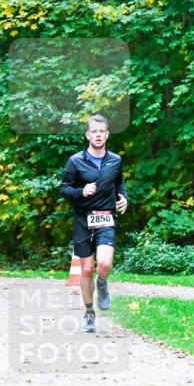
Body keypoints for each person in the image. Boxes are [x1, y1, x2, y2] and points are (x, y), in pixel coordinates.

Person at [60, 114, 128, 332]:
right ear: (87, 135)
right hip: (83, 219)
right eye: (94, 132)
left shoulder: (115, 160)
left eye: (102, 132)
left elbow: (119, 183)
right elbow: (64, 189)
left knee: (104, 264)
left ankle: (103, 282)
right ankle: (89, 312)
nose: (98, 135)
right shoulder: (75, 161)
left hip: (106, 217)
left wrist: (124, 197)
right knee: (87, 269)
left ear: (107, 135)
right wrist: (82, 191)